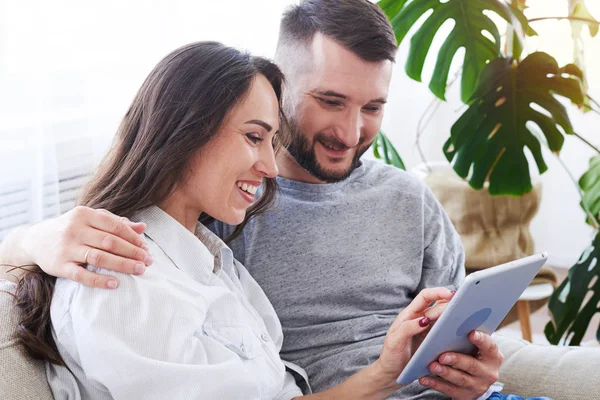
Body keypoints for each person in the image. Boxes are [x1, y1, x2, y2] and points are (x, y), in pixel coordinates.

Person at [0, 1, 549, 400]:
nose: (352, 130)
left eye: (374, 107)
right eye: (330, 100)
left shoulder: (406, 202)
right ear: (281, 93)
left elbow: (461, 333)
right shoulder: (214, 213)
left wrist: (473, 369)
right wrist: (34, 237)